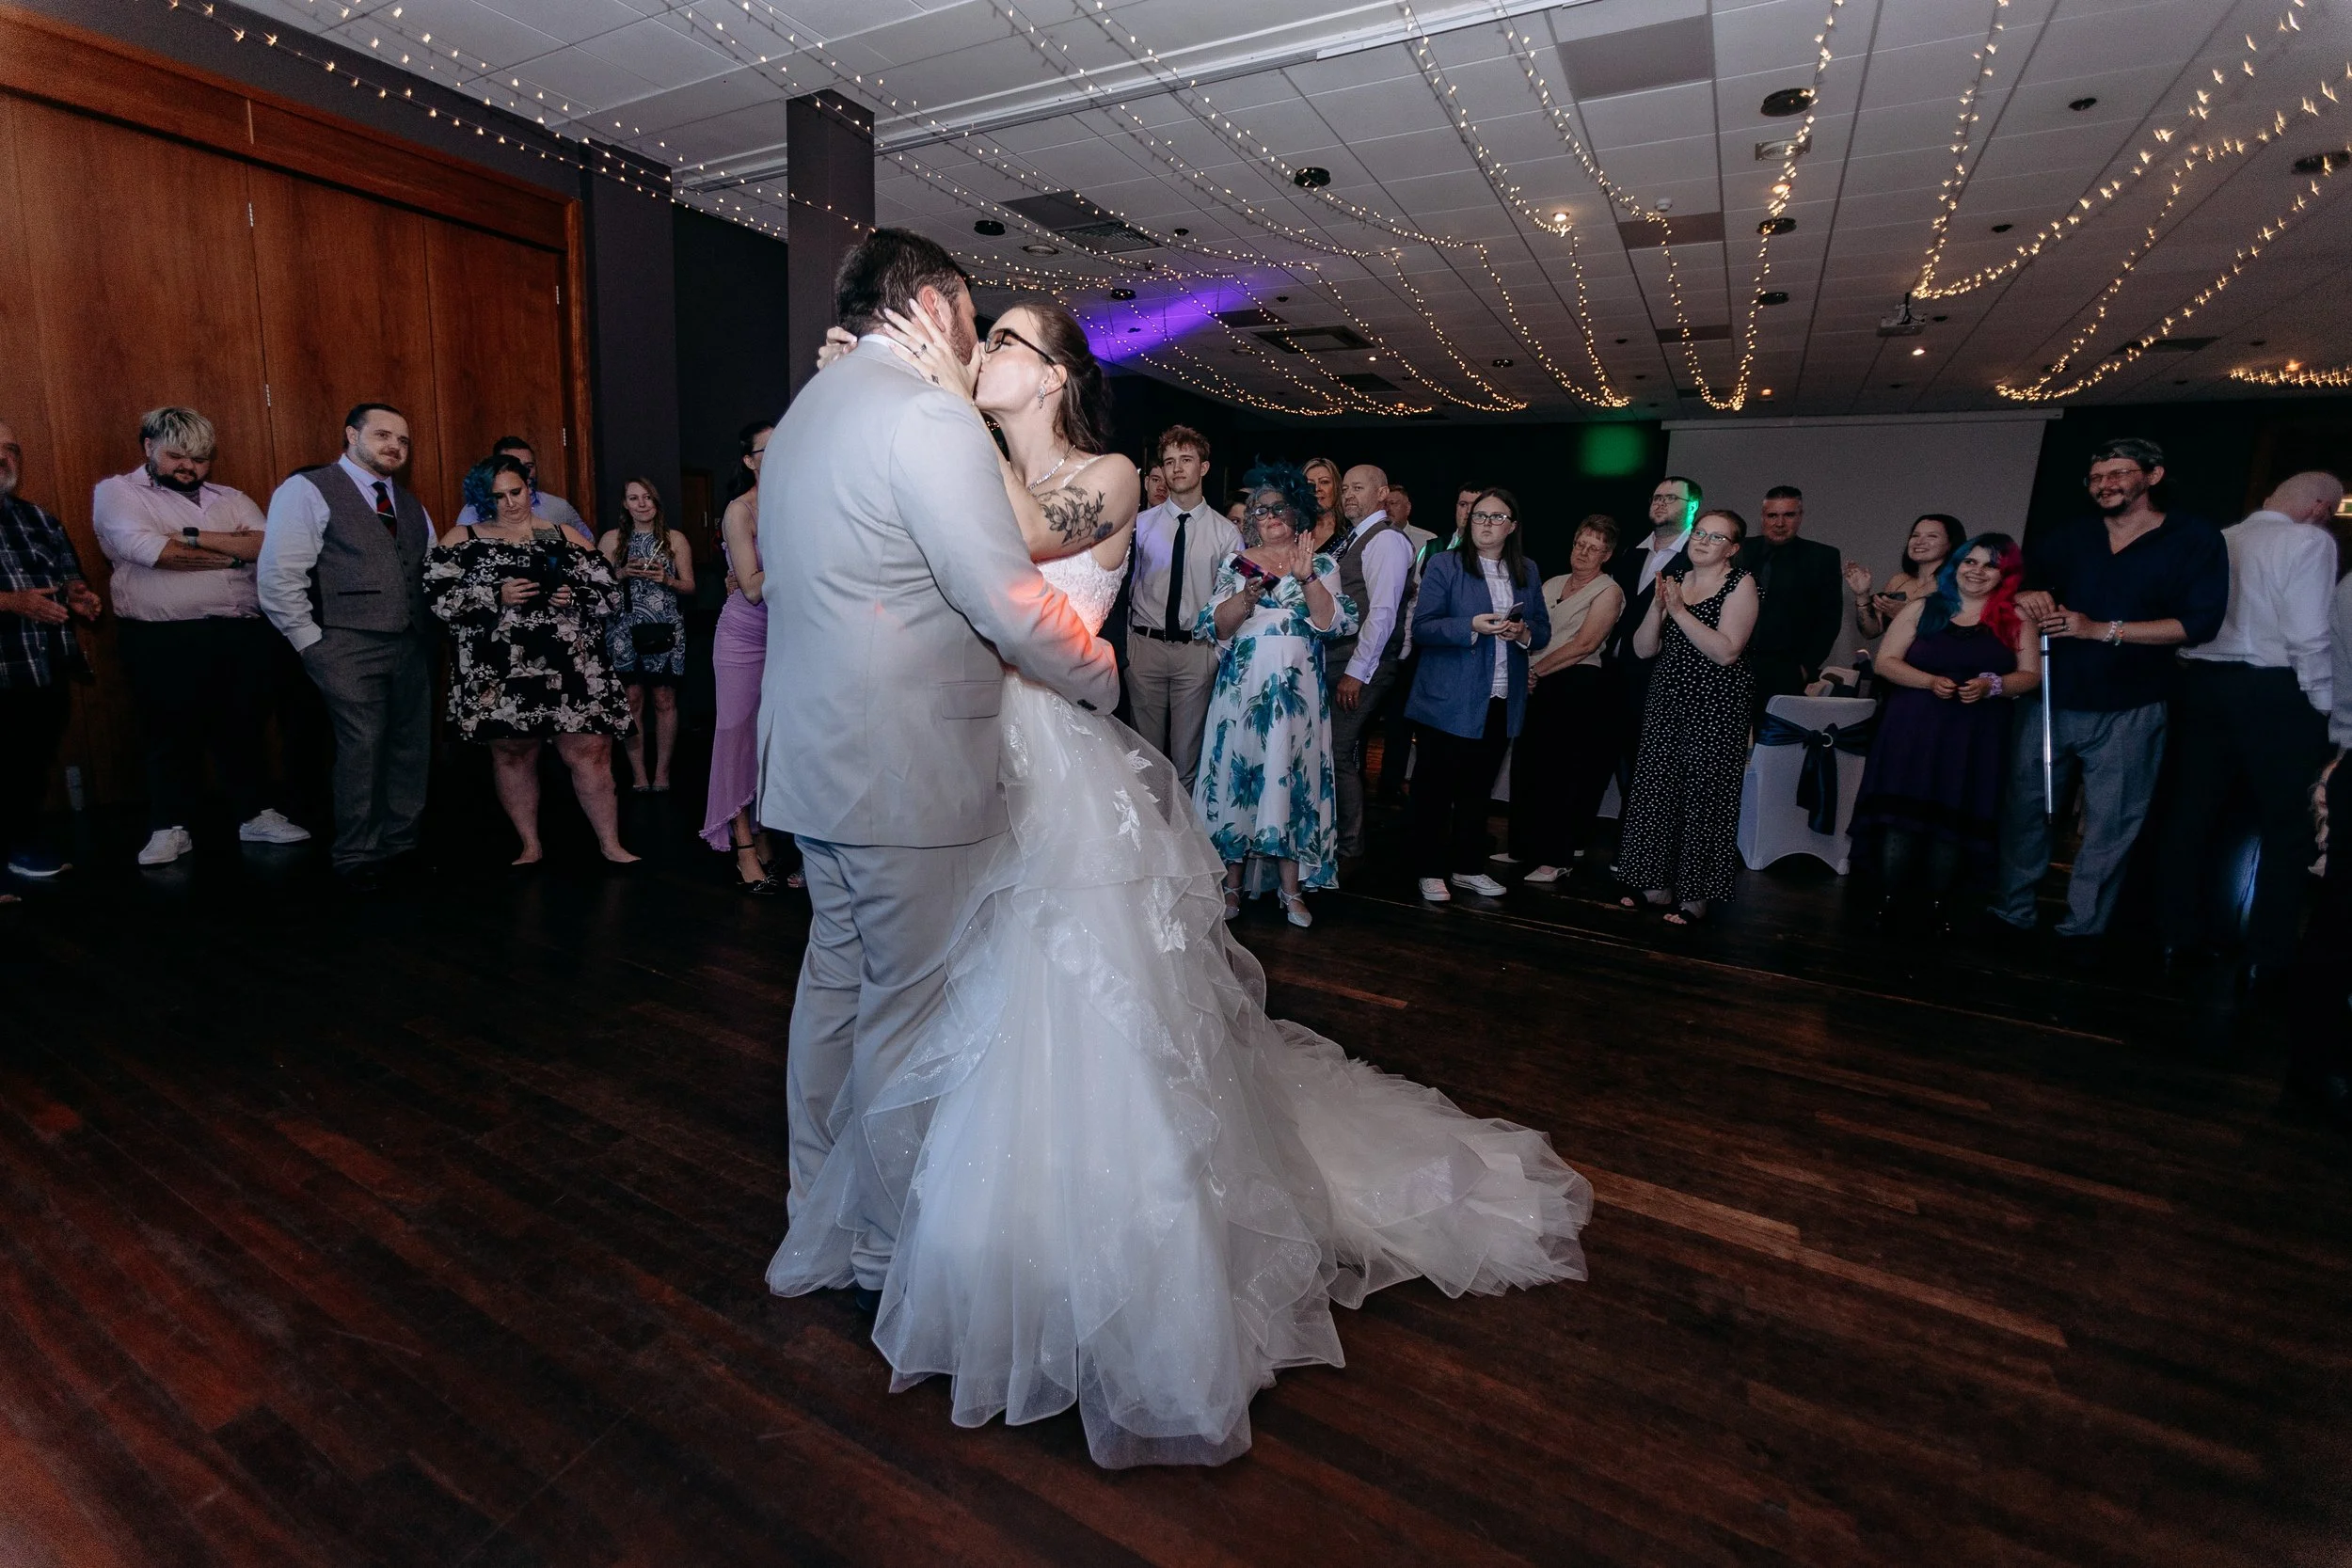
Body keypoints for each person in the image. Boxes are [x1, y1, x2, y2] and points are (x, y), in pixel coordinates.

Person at [773, 296, 1588, 1472]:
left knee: (1071, 999)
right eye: (979, 335)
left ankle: (1084, 1260)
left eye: (1001, 340)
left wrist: (905, 392)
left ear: (1051, 375)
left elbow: (1005, 551)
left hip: (1049, 761)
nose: (980, 354)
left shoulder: (1101, 475)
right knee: (949, 995)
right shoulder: (963, 449)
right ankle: (937, 1223)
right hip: (957, 761)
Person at [757, 230, 1120, 1312]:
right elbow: (1002, 599)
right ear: (934, 303)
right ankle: (878, 1243)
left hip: (817, 765)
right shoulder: (922, 415)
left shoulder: (814, 407)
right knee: (904, 1011)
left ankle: (812, 1193)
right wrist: (1103, 680)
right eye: (974, 316)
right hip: (901, 771)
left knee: (833, 984)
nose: (976, 338)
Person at [1993, 438, 2228, 958]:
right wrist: (2025, 594)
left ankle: (2083, 928)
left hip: (2133, 705)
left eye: (2118, 474)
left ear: (2153, 475)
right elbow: (2017, 588)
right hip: (2050, 697)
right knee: (2026, 811)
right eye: (2097, 477)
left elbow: (2198, 625)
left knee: (2111, 823)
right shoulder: (2070, 536)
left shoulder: (2193, 538)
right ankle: (2012, 912)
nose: (2105, 485)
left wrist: (2102, 629)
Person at [91, 405, 309, 865]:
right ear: (149, 447)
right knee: (168, 733)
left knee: (244, 727)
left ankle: (255, 815)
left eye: (201, 459)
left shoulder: (230, 495)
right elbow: (153, 552)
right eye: (177, 456)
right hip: (162, 639)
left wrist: (188, 535)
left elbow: (267, 546)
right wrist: (232, 553)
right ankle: (169, 827)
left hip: (240, 633)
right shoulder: (117, 492)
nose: (189, 468)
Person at [2160, 471, 2342, 985]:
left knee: (2194, 816)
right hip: (2274, 693)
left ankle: (2178, 935)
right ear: (2320, 509)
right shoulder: (2309, 540)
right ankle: (2268, 954)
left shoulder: (2220, 539)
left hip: (2203, 687)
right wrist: (2326, 705)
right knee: (2287, 826)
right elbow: (2307, 634)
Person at [257, 403, 437, 893]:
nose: (394, 447)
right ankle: (357, 852)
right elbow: (278, 575)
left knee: (410, 746)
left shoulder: (409, 503)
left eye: (402, 441)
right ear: (350, 435)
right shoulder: (309, 489)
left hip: (411, 642)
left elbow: (431, 572)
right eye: (382, 435)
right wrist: (311, 643)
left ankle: (401, 844)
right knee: (363, 745)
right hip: (345, 644)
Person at [425, 456, 637, 866]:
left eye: (515, 491)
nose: (508, 503)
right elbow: (437, 600)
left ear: (529, 487)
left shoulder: (566, 534)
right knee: (512, 754)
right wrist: (494, 596)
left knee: (591, 753)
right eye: (497, 496)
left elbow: (611, 594)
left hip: (571, 666)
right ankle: (530, 844)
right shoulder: (461, 537)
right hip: (501, 670)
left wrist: (572, 596)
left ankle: (611, 844)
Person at [1194, 463, 1357, 927]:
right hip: (1242, 691)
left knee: (1291, 780)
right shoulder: (1236, 564)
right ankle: (1231, 885)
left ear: (1298, 512)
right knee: (1239, 779)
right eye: (1261, 510)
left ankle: (1292, 891)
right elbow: (1215, 626)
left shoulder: (1322, 563)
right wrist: (1245, 598)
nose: (1270, 516)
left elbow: (1332, 624)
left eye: (1280, 507)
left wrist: (1306, 579)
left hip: (1297, 695)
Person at [1851, 534, 2041, 929]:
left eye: (1990, 566)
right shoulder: (1923, 609)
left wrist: (1994, 685)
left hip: (1975, 735)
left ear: (2005, 575)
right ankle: (1888, 900)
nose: (1977, 571)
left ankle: (1939, 904)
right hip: (1913, 728)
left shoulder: (2016, 618)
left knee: (1955, 820)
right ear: (1957, 565)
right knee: (1902, 814)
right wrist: (1928, 682)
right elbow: (1885, 661)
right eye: (1970, 562)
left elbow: (2030, 676)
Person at [1612, 507, 1760, 925]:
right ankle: (1653, 884)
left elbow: (1727, 651)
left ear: (1732, 549)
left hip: (1716, 704)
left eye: (1716, 537)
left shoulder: (1740, 583)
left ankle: (1695, 897)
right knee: (1656, 791)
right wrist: (1659, 610)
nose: (1703, 541)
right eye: (1700, 532)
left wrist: (1678, 612)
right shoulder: (1675, 582)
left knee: (1703, 797)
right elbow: (1643, 649)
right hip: (1668, 696)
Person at [1406, 488, 1549, 903]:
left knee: (1477, 790)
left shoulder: (1528, 569)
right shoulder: (1444, 564)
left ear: (1513, 526)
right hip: (1446, 698)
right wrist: (1472, 625)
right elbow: (1424, 627)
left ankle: (1467, 867)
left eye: (1496, 517)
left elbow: (1541, 627)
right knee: (1434, 789)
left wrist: (1523, 632)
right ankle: (1429, 870)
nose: (1486, 523)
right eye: (1479, 515)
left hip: (1501, 697)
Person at [0, 419, 103, 890]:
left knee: (26, 766)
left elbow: (68, 577)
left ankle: (18, 846)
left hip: (38, 670)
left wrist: (79, 596)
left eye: (12, 448)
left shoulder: (38, 518)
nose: (4, 457)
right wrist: (9, 602)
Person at [1510, 515, 1625, 884]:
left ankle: (1556, 857)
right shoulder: (1553, 582)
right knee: (1527, 766)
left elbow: (1585, 644)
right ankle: (1522, 848)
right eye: (1580, 544)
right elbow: (1531, 627)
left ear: (1606, 555)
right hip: (1535, 682)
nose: (1584, 553)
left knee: (1562, 774)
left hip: (1576, 686)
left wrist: (1536, 671)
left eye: (1594, 548)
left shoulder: (1609, 591)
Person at [1123, 424, 1236, 793]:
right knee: (1144, 758)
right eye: (1169, 461)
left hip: (1196, 652)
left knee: (1188, 761)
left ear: (1203, 467)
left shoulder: (1225, 533)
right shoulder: (1140, 525)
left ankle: (1183, 844)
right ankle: (1151, 844)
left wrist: (1216, 655)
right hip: (1145, 648)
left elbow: (1231, 599)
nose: (1176, 469)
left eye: (1185, 460)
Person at [702, 420, 789, 893]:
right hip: (744, 636)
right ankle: (741, 842)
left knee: (772, 739)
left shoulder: (798, 503)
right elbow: (753, 591)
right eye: (766, 450)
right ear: (749, 461)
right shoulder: (740, 511)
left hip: (789, 637)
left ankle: (764, 830)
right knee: (735, 734)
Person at [1327, 463, 1412, 861]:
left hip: (1359, 667)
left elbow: (1382, 613)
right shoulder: (1354, 538)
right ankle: (1336, 840)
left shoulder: (1386, 541)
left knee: (1337, 751)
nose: (1348, 495)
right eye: (1345, 488)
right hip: (1339, 660)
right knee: (1331, 751)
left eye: (1358, 488)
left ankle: (1348, 848)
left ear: (1382, 494)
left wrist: (1355, 673)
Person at [1603, 475, 1699, 798]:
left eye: (1671, 498)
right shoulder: (1632, 553)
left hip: (1658, 680)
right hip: (1613, 673)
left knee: (1647, 772)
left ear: (1693, 507)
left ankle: (1640, 845)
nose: (1660, 503)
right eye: (1656, 497)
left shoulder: (1696, 559)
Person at [598, 477, 694, 794]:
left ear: (656, 502)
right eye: (634, 498)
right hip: (624, 628)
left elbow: (690, 586)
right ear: (625, 504)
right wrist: (622, 573)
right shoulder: (611, 539)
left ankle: (662, 772)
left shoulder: (674, 539)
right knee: (632, 700)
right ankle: (639, 773)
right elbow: (596, 587)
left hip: (666, 626)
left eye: (647, 497)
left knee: (665, 699)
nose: (641, 504)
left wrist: (666, 578)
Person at [1741, 485, 1846, 721]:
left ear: (1800, 516)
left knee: (1773, 744)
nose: (1780, 523)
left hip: (1784, 669)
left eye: (1788, 515)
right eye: (1772, 515)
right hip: (1732, 663)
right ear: (1762, 517)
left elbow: (1829, 619)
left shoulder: (1822, 557)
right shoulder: (1740, 550)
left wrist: (1805, 667)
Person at [1846, 514, 1961, 645]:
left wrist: (1908, 617)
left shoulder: (1956, 585)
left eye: (1932, 536)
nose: (1919, 541)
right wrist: (1862, 595)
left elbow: (1956, 640)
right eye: (1915, 535)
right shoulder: (1898, 581)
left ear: (1950, 544)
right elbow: (1871, 632)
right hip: (1891, 661)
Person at [453, 435, 591, 544]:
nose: (523, 472)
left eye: (528, 466)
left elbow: (589, 548)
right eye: (499, 496)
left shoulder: (558, 507)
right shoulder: (472, 511)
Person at [1301, 455, 1342, 550]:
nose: (1316, 489)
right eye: (1310, 484)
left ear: (1337, 487)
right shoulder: (1293, 531)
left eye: (1324, 482)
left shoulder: (1352, 531)